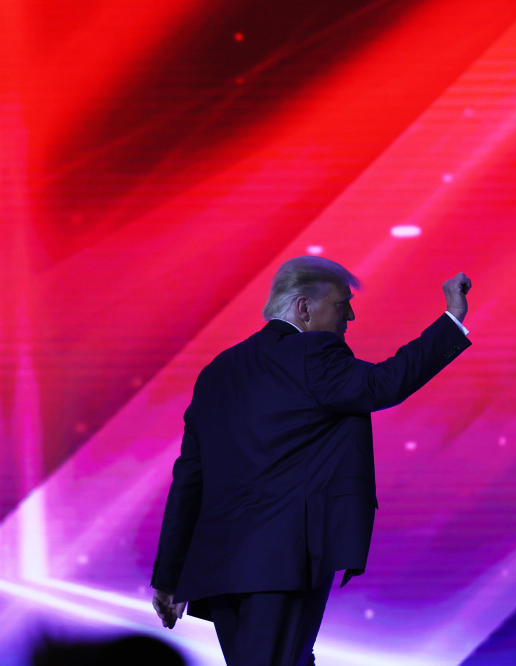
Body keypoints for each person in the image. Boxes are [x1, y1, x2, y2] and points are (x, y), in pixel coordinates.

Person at [150, 257, 472, 665]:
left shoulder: (218, 371)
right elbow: (382, 384)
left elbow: (189, 480)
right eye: (342, 304)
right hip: (283, 564)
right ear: (303, 308)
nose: (350, 316)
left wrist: (168, 575)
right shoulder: (311, 353)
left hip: (221, 570)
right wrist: (451, 319)